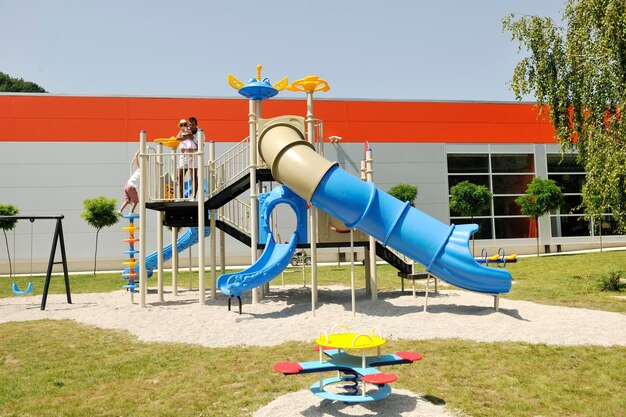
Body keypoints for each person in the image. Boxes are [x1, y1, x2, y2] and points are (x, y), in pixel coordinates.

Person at [176, 119, 196, 199]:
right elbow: (177, 138)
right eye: (181, 125)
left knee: (193, 175)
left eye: (184, 124)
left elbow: (190, 136)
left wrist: (184, 136)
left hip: (189, 148)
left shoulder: (188, 130)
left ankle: (193, 196)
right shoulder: (181, 131)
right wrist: (184, 136)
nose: (183, 126)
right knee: (179, 176)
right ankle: (181, 197)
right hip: (184, 150)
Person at [118, 151, 140, 215]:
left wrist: (136, 155)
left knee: (127, 200)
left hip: (126, 185)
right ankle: (131, 212)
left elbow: (136, 162)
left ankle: (120, 210)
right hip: (131, 187)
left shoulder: (138, 169)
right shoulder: (142, 173)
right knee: (136, 201)